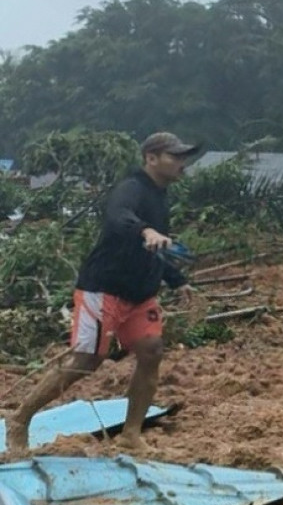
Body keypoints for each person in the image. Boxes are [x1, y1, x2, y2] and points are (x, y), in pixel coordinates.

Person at [5, 132, 199, 454]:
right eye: (174, 156)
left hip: (139, 295)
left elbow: (153, 250)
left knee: (151, 351)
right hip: (104, 289)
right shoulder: (131, 189)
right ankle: (20, 420)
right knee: (86, 360)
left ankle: (131, 435)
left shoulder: (161, 197)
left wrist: (179, 281)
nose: (182, 163)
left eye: (183, 157)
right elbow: (117, 218)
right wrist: (145, 229)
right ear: (151, 158)